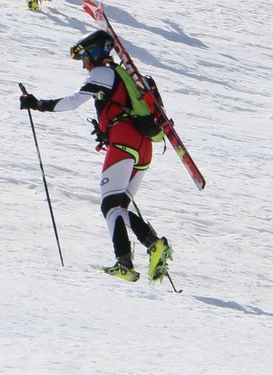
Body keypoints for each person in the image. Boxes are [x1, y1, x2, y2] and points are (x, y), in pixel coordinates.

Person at [18, 28, 173, 282]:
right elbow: (120, 106)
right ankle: (128, 261)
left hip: (124, 142)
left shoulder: (103, 72)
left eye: (83, 59)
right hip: (143, 146)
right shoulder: (124, 75)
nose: (83, 66)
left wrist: (38, 104)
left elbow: (74, 101)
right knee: (117, 206)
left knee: (109, 205)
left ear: (92, 54)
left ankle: (150, 246)